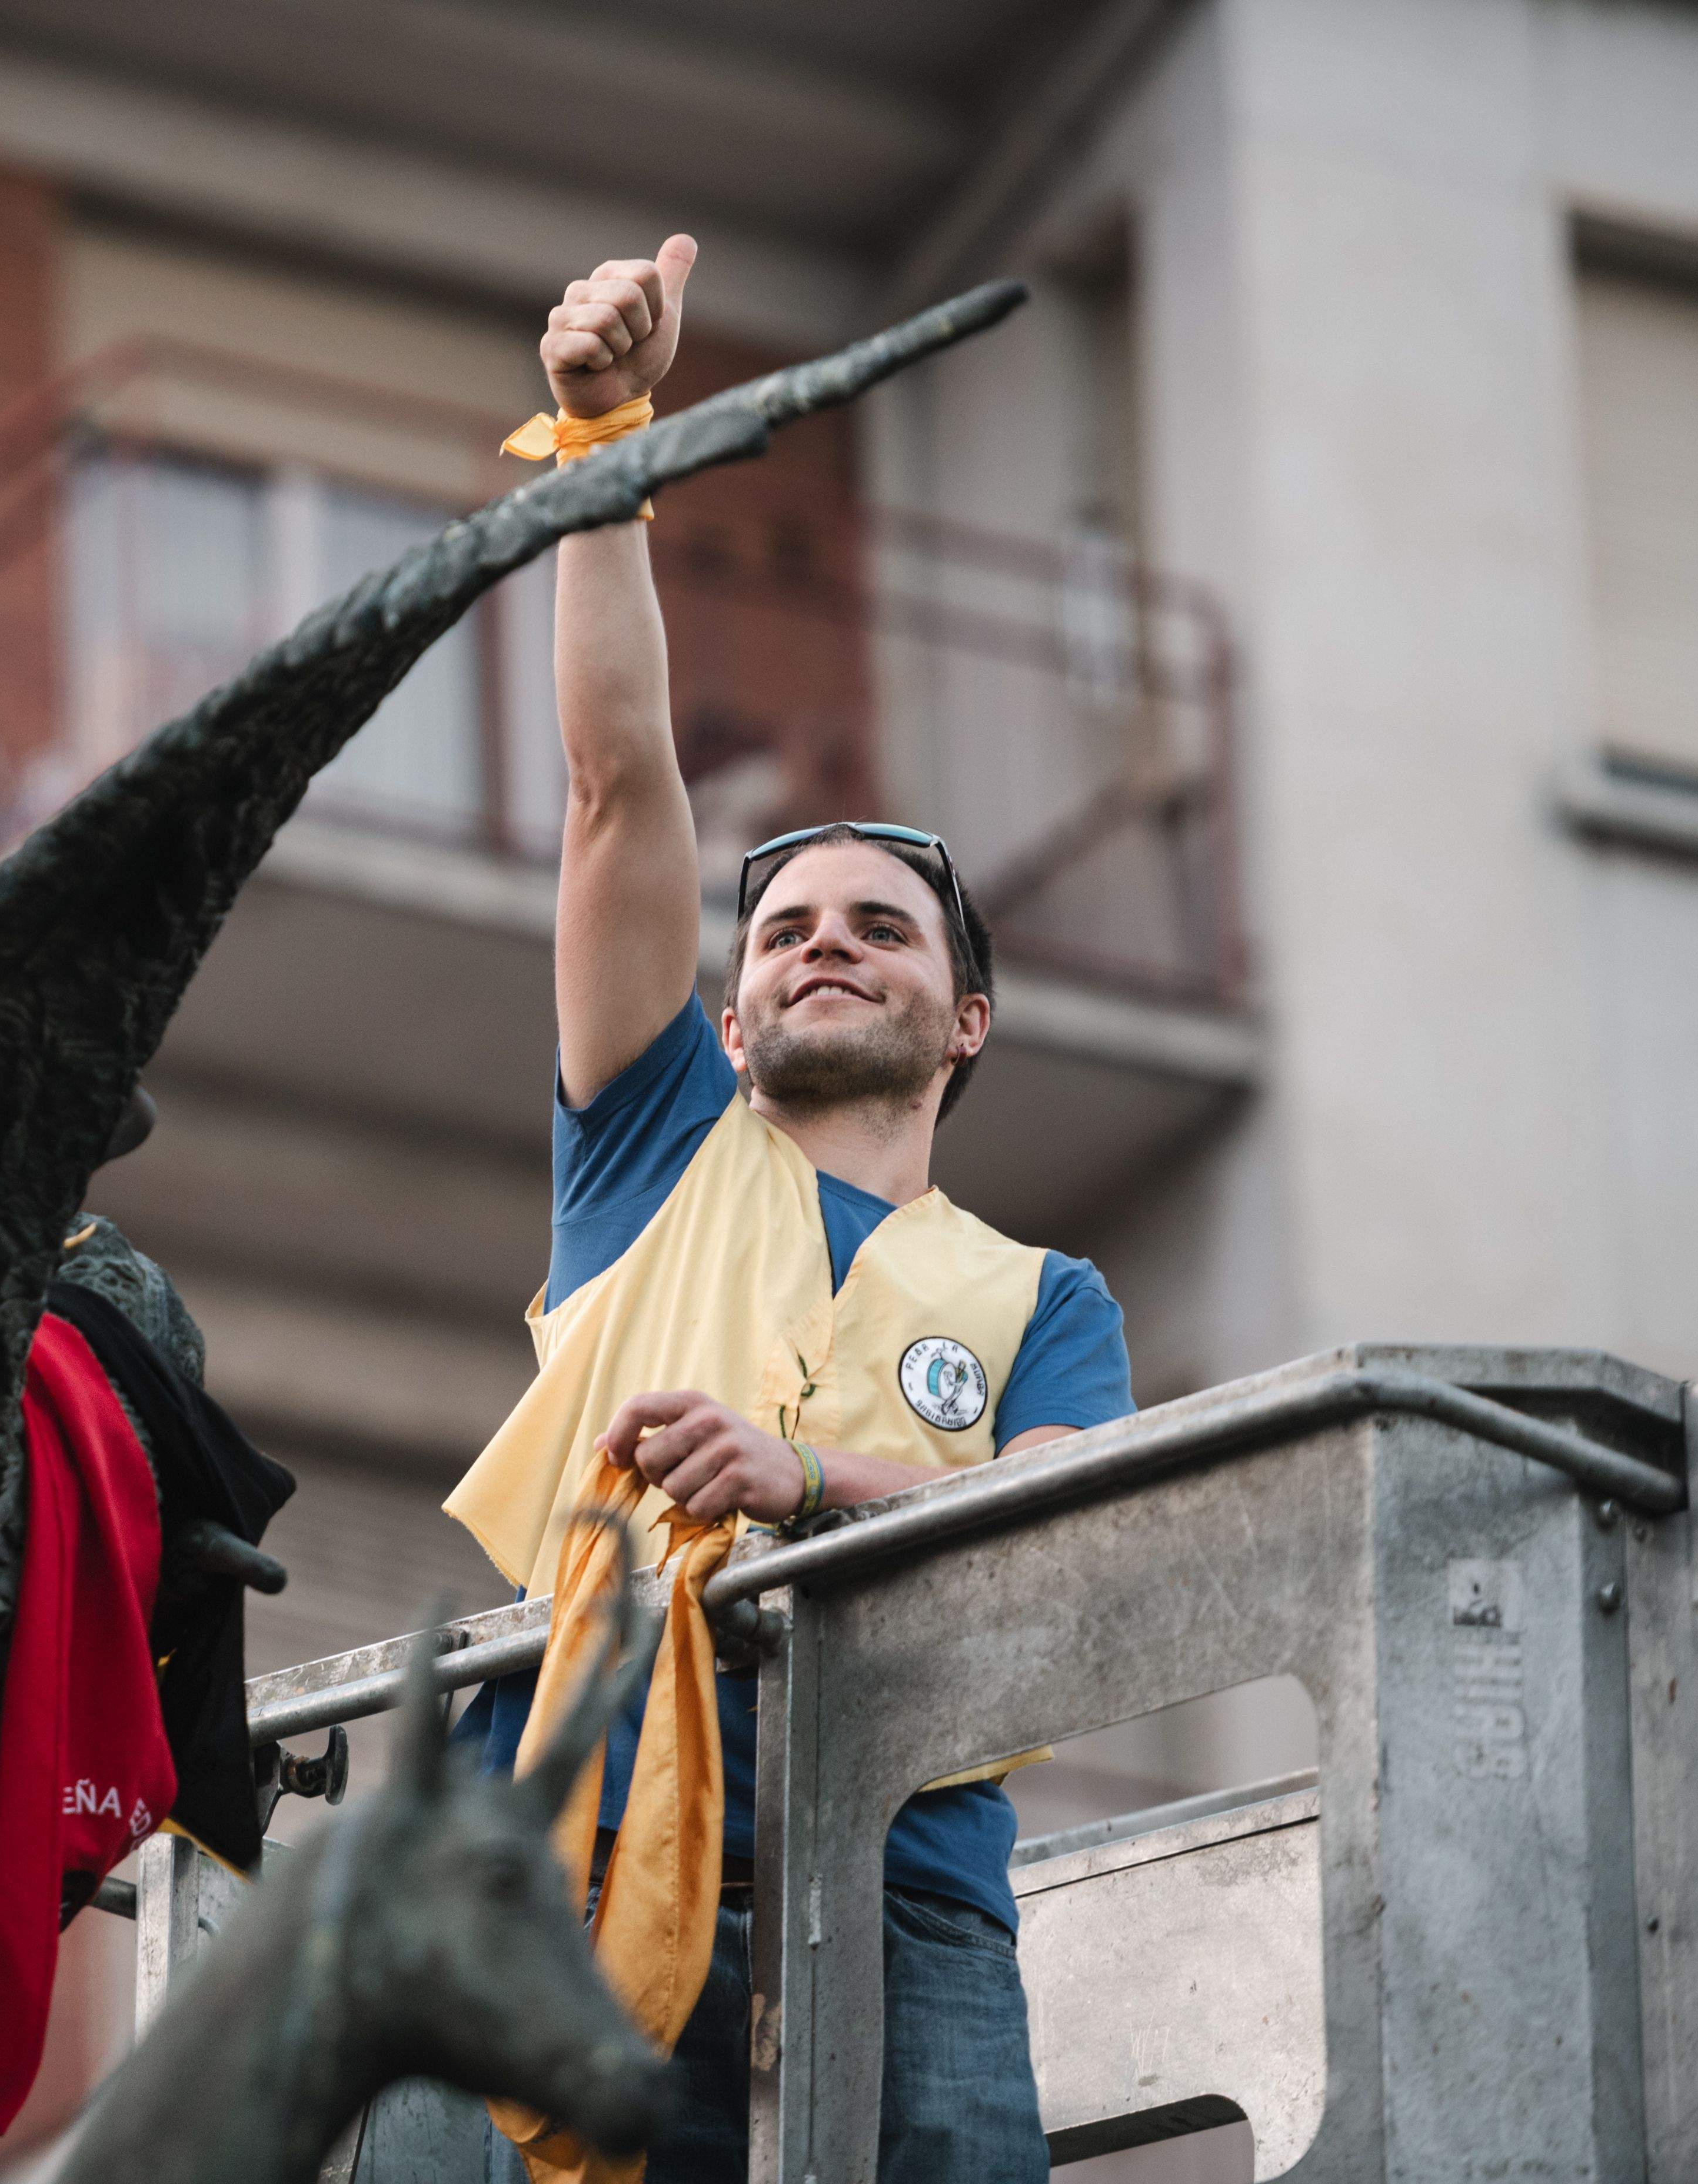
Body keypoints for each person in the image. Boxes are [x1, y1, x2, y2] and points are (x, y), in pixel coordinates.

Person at [434, 237, 1137, 2184]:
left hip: (909, 1870)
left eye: (880, 927)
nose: (825, 945)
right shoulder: (650, 1137)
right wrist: (600, 444)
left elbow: (1075, 1529)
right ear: (730, 1016)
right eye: (785, 931)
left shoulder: (1038, 1291)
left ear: (964, 1015)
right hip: (576, 1823)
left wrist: (801, 1482)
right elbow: (610, 786)